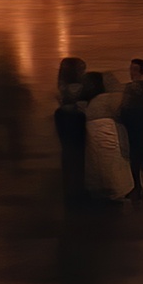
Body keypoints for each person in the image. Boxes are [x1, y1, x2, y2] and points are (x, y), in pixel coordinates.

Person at [82, 72, 131, 201]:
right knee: (109, 161)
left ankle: (106, 190)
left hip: (96, 132)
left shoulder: (93, 102)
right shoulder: (108, 98)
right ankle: (114, 189)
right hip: (105, 131)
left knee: (100, 162)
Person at [120, 59, 143, 201]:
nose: (132, 73)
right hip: (137, 126)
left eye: (135, 69)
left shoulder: (137, 88)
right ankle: (142, 187)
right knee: (138, 158)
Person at [54, 56, 87, 206]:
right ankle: (78, 191)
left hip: (62, 118)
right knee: (78, 156)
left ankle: (69, 190)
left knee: (67, 154)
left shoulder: (61, 86)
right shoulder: (77, 88)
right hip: (74, 119)